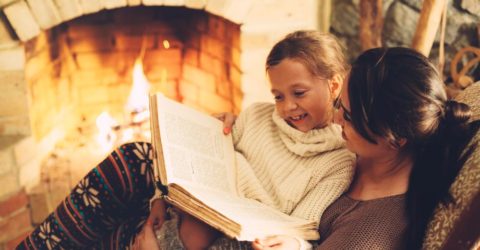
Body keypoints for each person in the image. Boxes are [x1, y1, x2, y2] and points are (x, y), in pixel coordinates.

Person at [17, 30, 356, 250]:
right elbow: (212, 156)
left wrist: (292, 245)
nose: (287, 107)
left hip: (241, 232)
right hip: (196, 205)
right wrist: (161, 195)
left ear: (334, 85)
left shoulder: (338, 160)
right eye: (278, 95)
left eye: (298, 93)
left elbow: (304, 226)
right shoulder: (256, 116)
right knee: (135, 156)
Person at [246, 47, 478, 249]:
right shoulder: (366, 152)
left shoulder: (371, 231)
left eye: (347, 115)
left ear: (395, 139)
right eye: (339, 104)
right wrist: (241, 125)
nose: (336, 119)